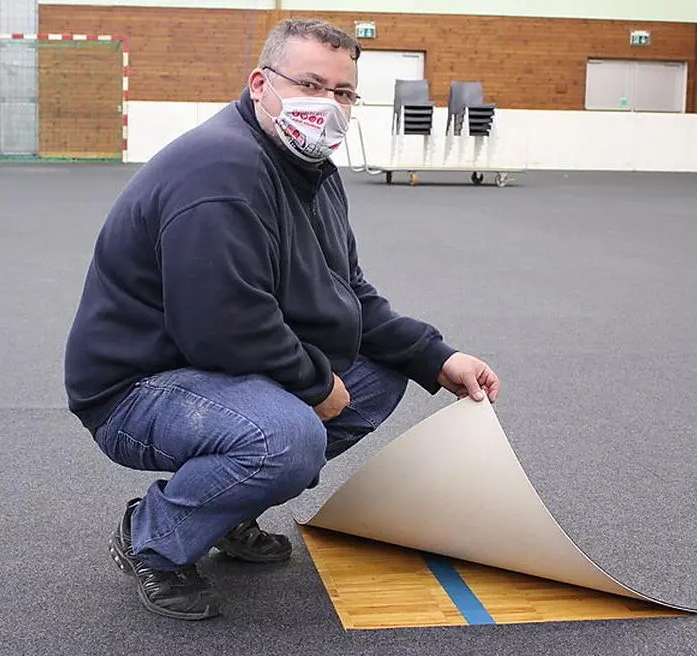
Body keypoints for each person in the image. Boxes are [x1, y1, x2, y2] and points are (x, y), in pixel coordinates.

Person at [63, 18, 501, 621]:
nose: (328, 106)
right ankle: (153, 536)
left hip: (214, 368)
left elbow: (349, 294)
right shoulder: (219, 173)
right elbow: (221, 325)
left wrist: (435, 356)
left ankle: (223, 507)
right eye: (310, 84)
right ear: (259, 84)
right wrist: (314, 387)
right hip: (138, 386)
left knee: (382, 374)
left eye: (343, 93)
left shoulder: (313, 170)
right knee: (287, 438)